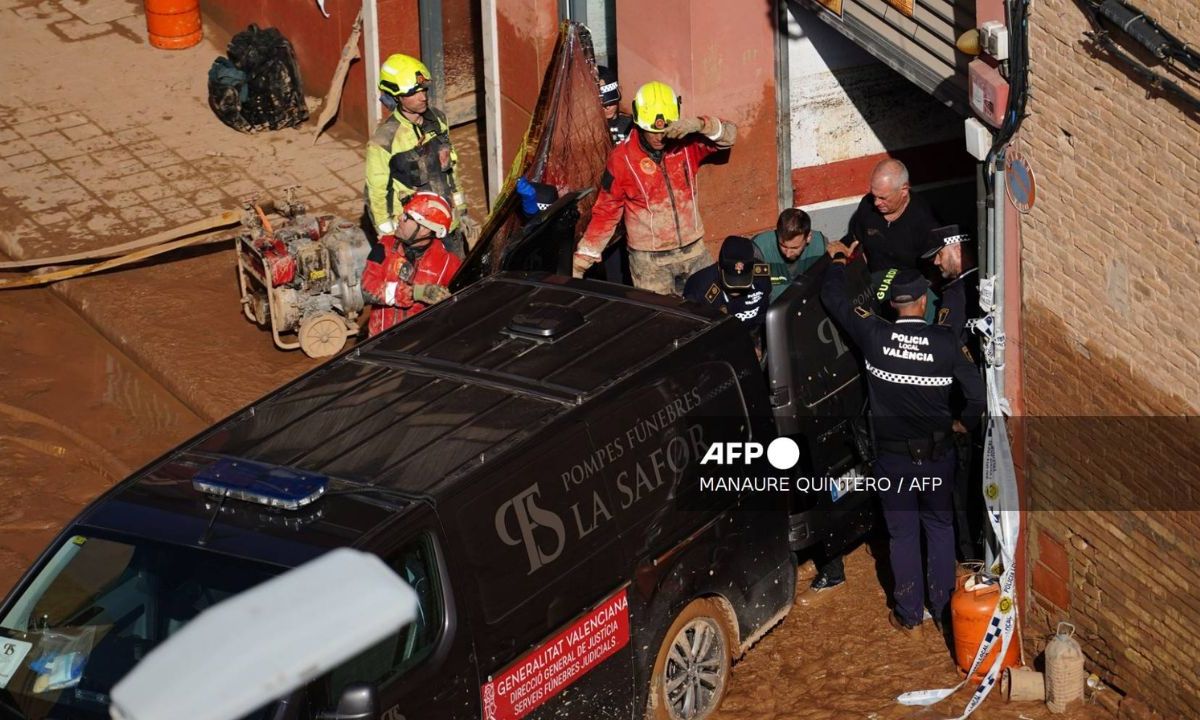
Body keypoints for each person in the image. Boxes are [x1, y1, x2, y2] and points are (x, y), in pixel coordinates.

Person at [820, 240, 985, 633]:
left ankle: (909, 612)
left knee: (902, 534)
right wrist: (964, 424)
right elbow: (978, 394)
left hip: (892, 461)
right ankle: (944, 610)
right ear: (923, 304)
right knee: (940, 529)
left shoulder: (874, 336)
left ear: (893, 305)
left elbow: (832, 298)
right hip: (937, 456)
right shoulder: (945, 343)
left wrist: (838, 261)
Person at [572, 81, 737, 296]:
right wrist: (585, 256)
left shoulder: (687, 144)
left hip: (694, 250)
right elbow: (607, 209)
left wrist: (700, 125)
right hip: (649, 262)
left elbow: (729, 137)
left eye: (665, 130)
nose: (660, 137)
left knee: (709, 312)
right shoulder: (622, 159)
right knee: (662, 322)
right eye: (652, 131)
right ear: (639, 124)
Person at [365, 53, 477, 259]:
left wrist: (461, 211)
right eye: (414, 93)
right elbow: (377, 194)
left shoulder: (438, 120)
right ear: (396, 96)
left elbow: (451, 171)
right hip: (415, 236)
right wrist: (389, 236)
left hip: (447, 223)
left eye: (424, 90)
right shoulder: (384, 141)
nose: (423, 97)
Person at [923, 224, 984, 561]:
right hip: (981, 400)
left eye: (940, 254)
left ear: (957, 250)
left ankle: (969, 555)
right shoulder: (981, 284)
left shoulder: (956, 296)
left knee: (962, 491)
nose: (936, 262)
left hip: (965, 407)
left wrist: (963, 419)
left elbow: (945, 354)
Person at [361, 192, 461, 337]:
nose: (400, 218)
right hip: (378, 342)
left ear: (425, 229)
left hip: (416, 347)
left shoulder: (448, 264)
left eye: (407, 217)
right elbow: (366, 289)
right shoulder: (384, 246)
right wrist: (414, 292)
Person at [847, 159, 939, 274]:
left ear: (904, 190)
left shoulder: (924, 219)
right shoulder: (867, 204)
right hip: (873, 282)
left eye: (883, 198)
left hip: (909, 286)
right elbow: (856, 241)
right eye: (874, 196)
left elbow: (934, 268)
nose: (876, 203)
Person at [683, 235, 771, 343]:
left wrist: (758, 343)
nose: (736, 289)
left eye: (742, 281)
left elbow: (763, 315)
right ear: (719, 268)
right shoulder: (700, 289)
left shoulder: (761, 277)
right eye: (731, 281)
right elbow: (693, 335)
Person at [752, 208, 828, 302]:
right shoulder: (760, 250)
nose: (788, 254)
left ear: (808, 237)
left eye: (794, 248)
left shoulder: (821, 247)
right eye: (783, 246)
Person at [597, 65, 633, 144]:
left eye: (611, 101)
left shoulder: (631, 126)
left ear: (619, 91)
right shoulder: (589, 130)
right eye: (602, 104)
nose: (607, 107)